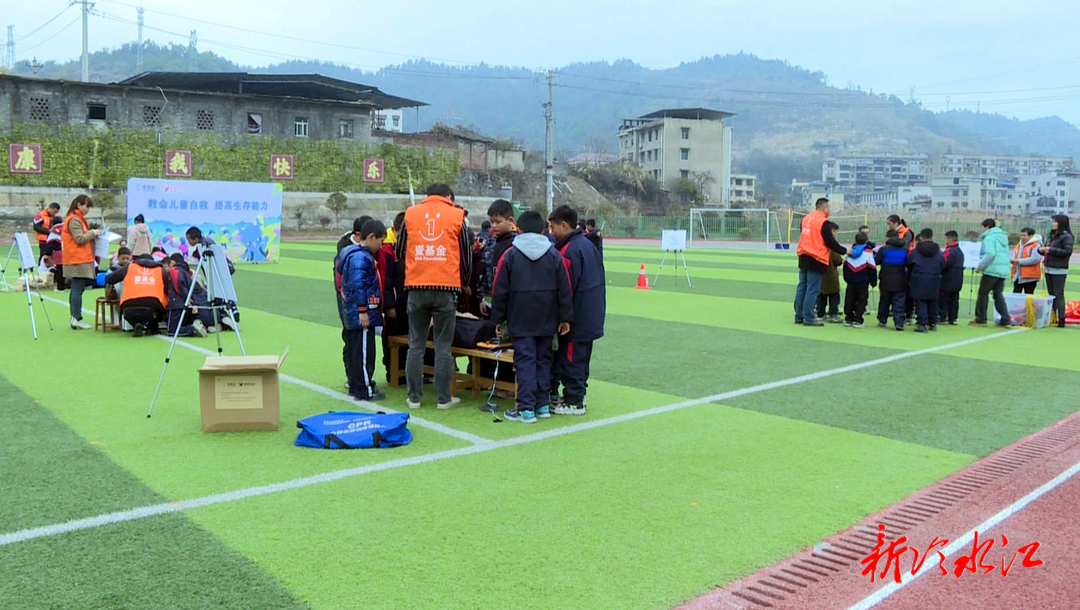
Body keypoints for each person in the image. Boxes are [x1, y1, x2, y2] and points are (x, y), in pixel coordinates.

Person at [394, 184, 474, 410]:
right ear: (448, 196)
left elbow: (400, 251)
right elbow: (466, 258)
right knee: (443, 346)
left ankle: (414, 398)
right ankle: (443, 398)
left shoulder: (411, 213)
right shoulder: (458, 216)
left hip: (416, 287)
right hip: (446, 288)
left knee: (416, 344)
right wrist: (464, 282)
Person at [490, 211, 573, 423]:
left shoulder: (510, 255)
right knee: (544, 360)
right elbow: (564, 289)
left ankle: (526, 409)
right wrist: (565, 318)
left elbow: (500, 291)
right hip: (548, 317)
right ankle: (543, 405)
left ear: (519, 228)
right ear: (544, 230)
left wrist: (498, 319)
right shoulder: (554, 254)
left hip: (520, 317)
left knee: (525, 360)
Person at [549, 204, 605, 416]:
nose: (552, 233)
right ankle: (577, 395)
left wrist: (564, 317)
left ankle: (574, 400)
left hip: (577, 317)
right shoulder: (587, 244)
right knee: (581, 358)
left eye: (554, 228)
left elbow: (566, 289)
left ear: (564, 225)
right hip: (591, 313)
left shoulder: (569, 250)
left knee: (571, 358)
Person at [338, 220, 388, 402]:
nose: (381, 246)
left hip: (356, 312)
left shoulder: (354, 254)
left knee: (356, 351)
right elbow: (358, 285)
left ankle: (356, 384)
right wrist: (362, 310)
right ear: (372, 237)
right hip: (362, 313)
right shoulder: (361, 257)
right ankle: (364, 389)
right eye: (380, 241)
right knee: (364, 353)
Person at [794, 198, 847, 326]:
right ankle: (809, 317)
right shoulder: (824, 222)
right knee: (812, 289)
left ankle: (799, 315)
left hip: (803, 255)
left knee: (802, 286)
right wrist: (844, 250)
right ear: (824, 208)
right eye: (829, 207)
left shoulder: (806, 219)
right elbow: (830, 241)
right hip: (816, 257)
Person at [185, 226, 240, 331]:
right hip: (223, 270)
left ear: (196, 239)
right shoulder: (209, 241)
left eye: (189, 239)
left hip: (215, 273)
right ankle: (232, 309)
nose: (188, 242)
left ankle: (220, 318)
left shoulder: (203, 246)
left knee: (217, 296)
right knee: (224, 291)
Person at [61, 195, 101, 330]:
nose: (87, 209)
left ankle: (75, 317)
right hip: (77, 258)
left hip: (77, 258)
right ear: (78, 205)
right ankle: (77, 317)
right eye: (86, 206)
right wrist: (94, 233)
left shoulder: (76, 218)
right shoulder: (74, 219)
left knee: (76, 288)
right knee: (77, 288)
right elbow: (79, 238)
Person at [105, 254, 168, 337]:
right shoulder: (160, 269)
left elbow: (109, 279)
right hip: (153, 307)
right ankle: (152, 328)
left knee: (130, 313)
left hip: (129, 307)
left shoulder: (130, 267)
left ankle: (136, 324)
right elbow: (168, 287)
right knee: (160, 307)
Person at [478, 199, 517, 315]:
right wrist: (483, 297)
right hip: (492, 301)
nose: (494, 226)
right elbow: (484, 272)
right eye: (492, 222)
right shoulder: (490, 243)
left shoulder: (517, 244)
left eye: (498, 222)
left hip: (513, 301)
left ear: (510, 221)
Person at [971, 218, 1012, 328]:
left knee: (983, 294)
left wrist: (980, 266)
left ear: (986, 227)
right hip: (1002, 270)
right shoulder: (1003, 237)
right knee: (998, 295)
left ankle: (981, 318)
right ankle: (1005, 319)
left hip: (991, 270)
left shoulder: (989, 238)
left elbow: (990, 254)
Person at [907, 228, 945, 333]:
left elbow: (909, 263)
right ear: (932, 238)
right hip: (934, 279)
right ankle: (932, 323)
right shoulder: (939, 252)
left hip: (918, 278)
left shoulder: (915, 252)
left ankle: (922, 323)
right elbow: (943, 264)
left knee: (920, 302)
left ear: (921, 238)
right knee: (933, 301)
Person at [161, 254, 209, 338]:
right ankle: (193, 326)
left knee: (172, 330)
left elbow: (178, 284)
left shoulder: (174, 271)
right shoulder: (185, 272)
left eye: (165, 267)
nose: (165, 270)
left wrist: (187, 298)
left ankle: (193, 329)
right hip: (185, 303)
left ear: (171, 263)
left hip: (177, 303)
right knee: (178, 325)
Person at [1039, 215, 1073, 329]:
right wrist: (1041, 250)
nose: (1052, 224)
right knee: (1051, 294)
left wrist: (1050, 250)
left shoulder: (1066, 236)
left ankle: (1061, 319)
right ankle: (1051, 317)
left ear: (1060, 223)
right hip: (1048, 267)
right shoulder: (1051, 236)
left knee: (1058, 294)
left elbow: (1067, 251)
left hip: (1059, 269)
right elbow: (1046, 249)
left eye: (1054, 222)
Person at [875, 229, 909, 330]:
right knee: (899, 302)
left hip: (886, 279)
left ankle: (882, 320)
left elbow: (876, 261)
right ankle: (899, 322)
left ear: (888, 237)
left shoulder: (884, 249)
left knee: (884, 301)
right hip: (901, 280)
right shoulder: (905, 250)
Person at [843, 232, 877, 328]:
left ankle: (848, 318)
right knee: (861, 299)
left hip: (851, 281)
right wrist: (873, 282)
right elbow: (872, 269)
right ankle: (858, 319)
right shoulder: (868, 253)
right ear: (866, 241)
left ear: (855, 241)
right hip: (863, 281)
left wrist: (847, 279)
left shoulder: (850, 252)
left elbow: (845, 266)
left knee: (849, 298)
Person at [815, 222, 844, 323]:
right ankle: (833, 314)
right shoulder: (832, 245)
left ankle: (820, 313)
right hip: (831, 274)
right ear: (832, 231)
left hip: (820, 272)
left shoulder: (819, 243)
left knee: (821, 295)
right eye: (836, 232)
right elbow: (838, 260)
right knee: (834, 295)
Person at [938, 230, 965, 326]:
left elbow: (945, 264)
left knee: (944, 299)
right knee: (954, 299)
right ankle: (953, 318)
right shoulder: (960, 251)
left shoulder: (949, 250)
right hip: (958, 279)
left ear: (950, 239)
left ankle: (942, 317)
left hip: (948, 279)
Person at [1010, 227, 1043, 294]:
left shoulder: (1036, 245)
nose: (1022, 237)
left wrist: (1019, 261)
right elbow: (1014, 254)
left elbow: (1035, 259)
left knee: (1028, 297)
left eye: (1024, 235)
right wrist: (1011, 259)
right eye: (1021, 235)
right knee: (1015, 296)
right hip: (1018, 275)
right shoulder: (1019, 244)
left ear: (1031, 236)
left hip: (1030, 276)